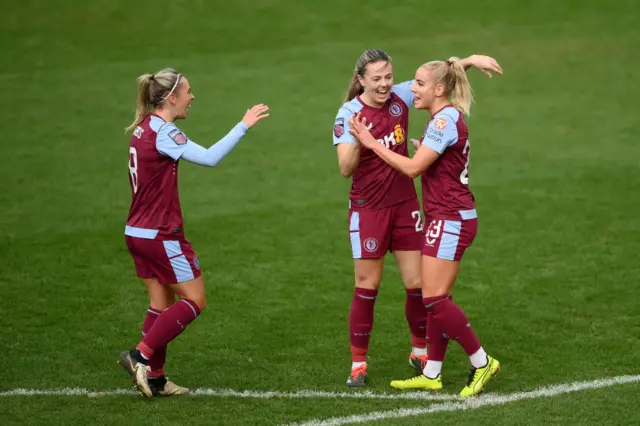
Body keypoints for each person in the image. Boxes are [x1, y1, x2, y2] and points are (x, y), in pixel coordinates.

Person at [334, 50, 502, 387]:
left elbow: (436, 79)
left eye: (389, 77)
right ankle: (360, 365)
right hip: (370, 208)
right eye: (377, 78)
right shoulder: (350, 113)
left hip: (413, 207)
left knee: (423, 290)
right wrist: (358, 141)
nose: (387, 85)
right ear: (361, 80)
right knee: (369, 287)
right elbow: (345, 169)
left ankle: (428, 355)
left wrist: (466, 61)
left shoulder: (408, 99)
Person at [119, 68, 269, 397]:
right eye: (188, 91)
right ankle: (139, 356)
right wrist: (244, 125)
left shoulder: (143, 128)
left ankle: (155, 378)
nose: (192, 96)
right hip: (161, 234)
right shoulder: (165, 132)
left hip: (136, 232)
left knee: (160, 302)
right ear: (171, 97)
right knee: (195, 300)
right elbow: (210, 158)